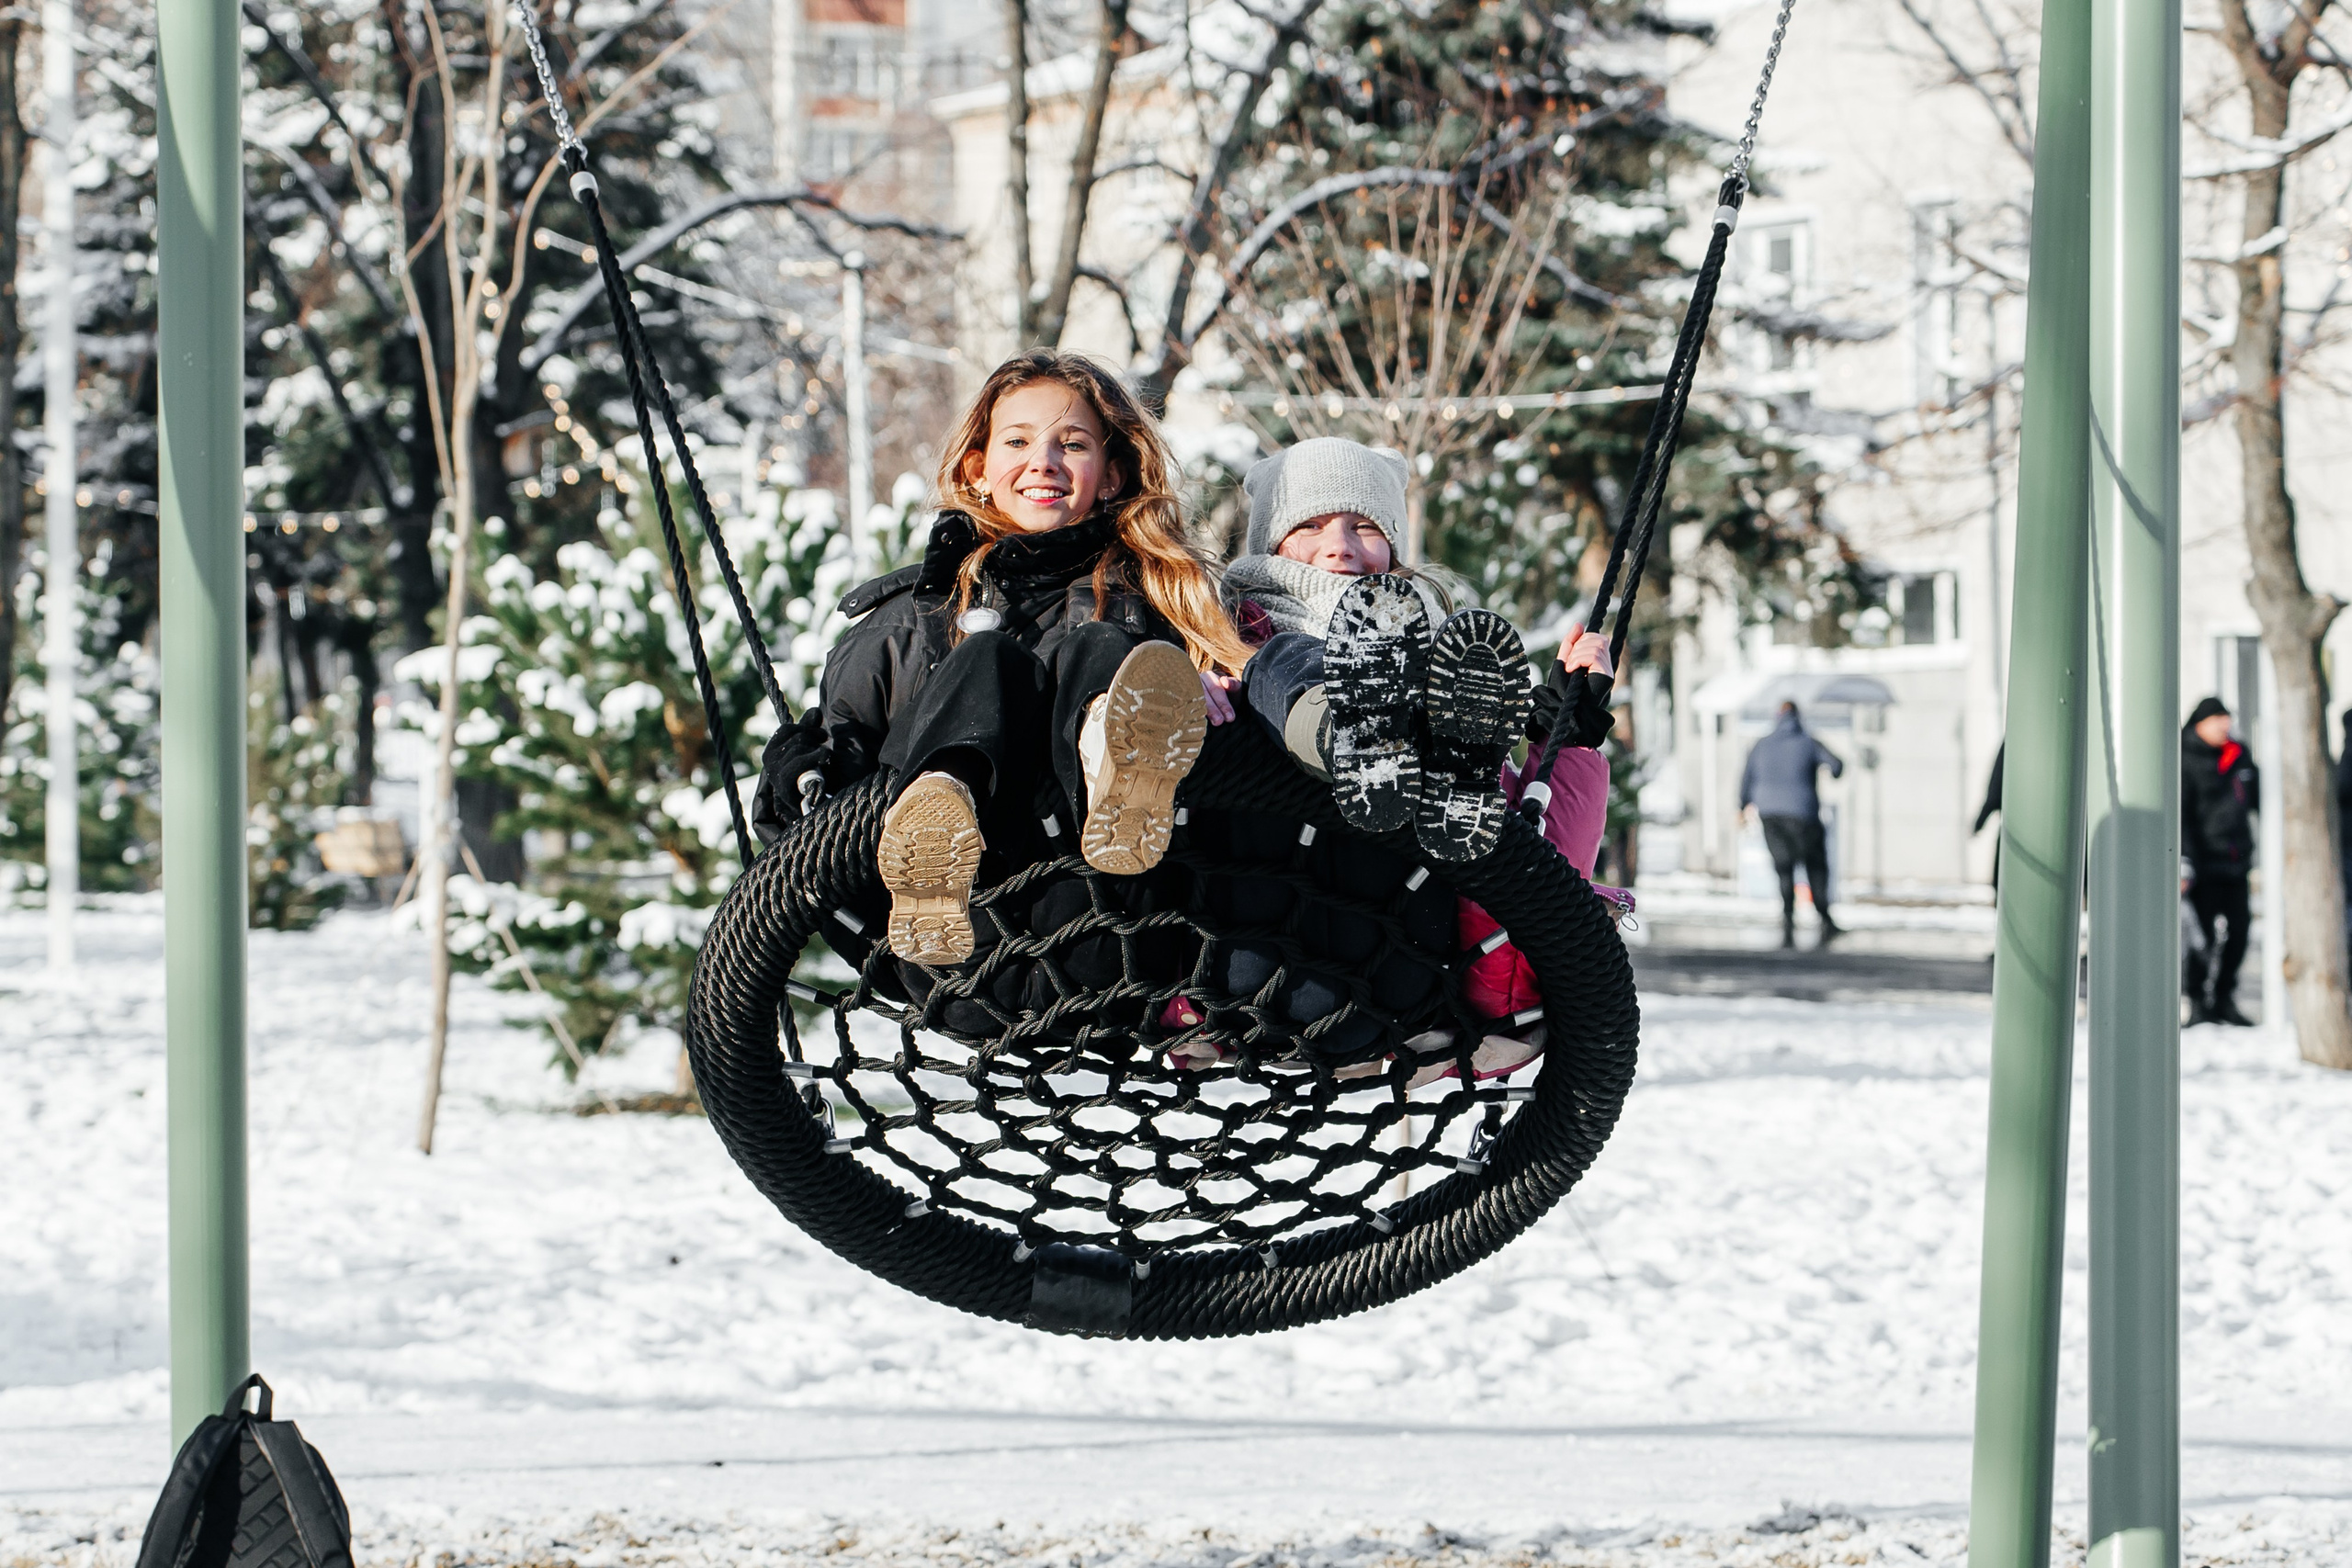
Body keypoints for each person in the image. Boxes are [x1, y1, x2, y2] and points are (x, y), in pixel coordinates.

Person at [750, 350, 1257, 966]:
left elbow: (1254, 781)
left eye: (1073, 445)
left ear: (1112, 476)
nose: (1043, 461)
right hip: (959, 948)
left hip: (1120, 936)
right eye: (1017, 441)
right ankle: (937, 817)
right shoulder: (907, 626)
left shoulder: (1171, 612)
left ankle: (1120, 762)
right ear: (978, 469)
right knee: (986, 656)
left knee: (1106, 649)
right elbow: (819, 822)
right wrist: (800, 780)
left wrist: (1211, 698)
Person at [1170, 435, 1621, 1081]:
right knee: (1272, 664)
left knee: (1441, 755)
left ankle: (1370, 728)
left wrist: (1566, 736)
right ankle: (1342, 725)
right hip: (1249, 970)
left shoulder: (1446, 678)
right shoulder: (1214, 644)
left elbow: (1539, 867)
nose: (1340, 546)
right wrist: (1197, 691)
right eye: (1310, 524)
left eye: (1365, 526)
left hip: (1396, 978)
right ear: (1270, 542)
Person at [1739, 700, 1844, 947]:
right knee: (1815, 866)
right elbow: (1837, 766)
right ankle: (1824, 918)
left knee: (1783, 867)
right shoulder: (1809, 742)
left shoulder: (1761, 744)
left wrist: (1741, 805)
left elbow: (1746, 778)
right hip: (1804, 814)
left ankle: (1787, 920)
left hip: (1770, 815)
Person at [2182, 694, 2258, 1026]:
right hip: (2203, 864)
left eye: (2227, 719)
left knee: (2240, 933)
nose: (2224, 726)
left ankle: (2225, 996)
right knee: (2203, 938)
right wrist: (2185, 861)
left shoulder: (2239, 756)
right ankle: (2199, 1001)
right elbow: (2182, 816)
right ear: (2201, 724)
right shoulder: (2185, 758)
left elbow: (2257, 798)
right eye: (2218, 720)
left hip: (2236, 861)